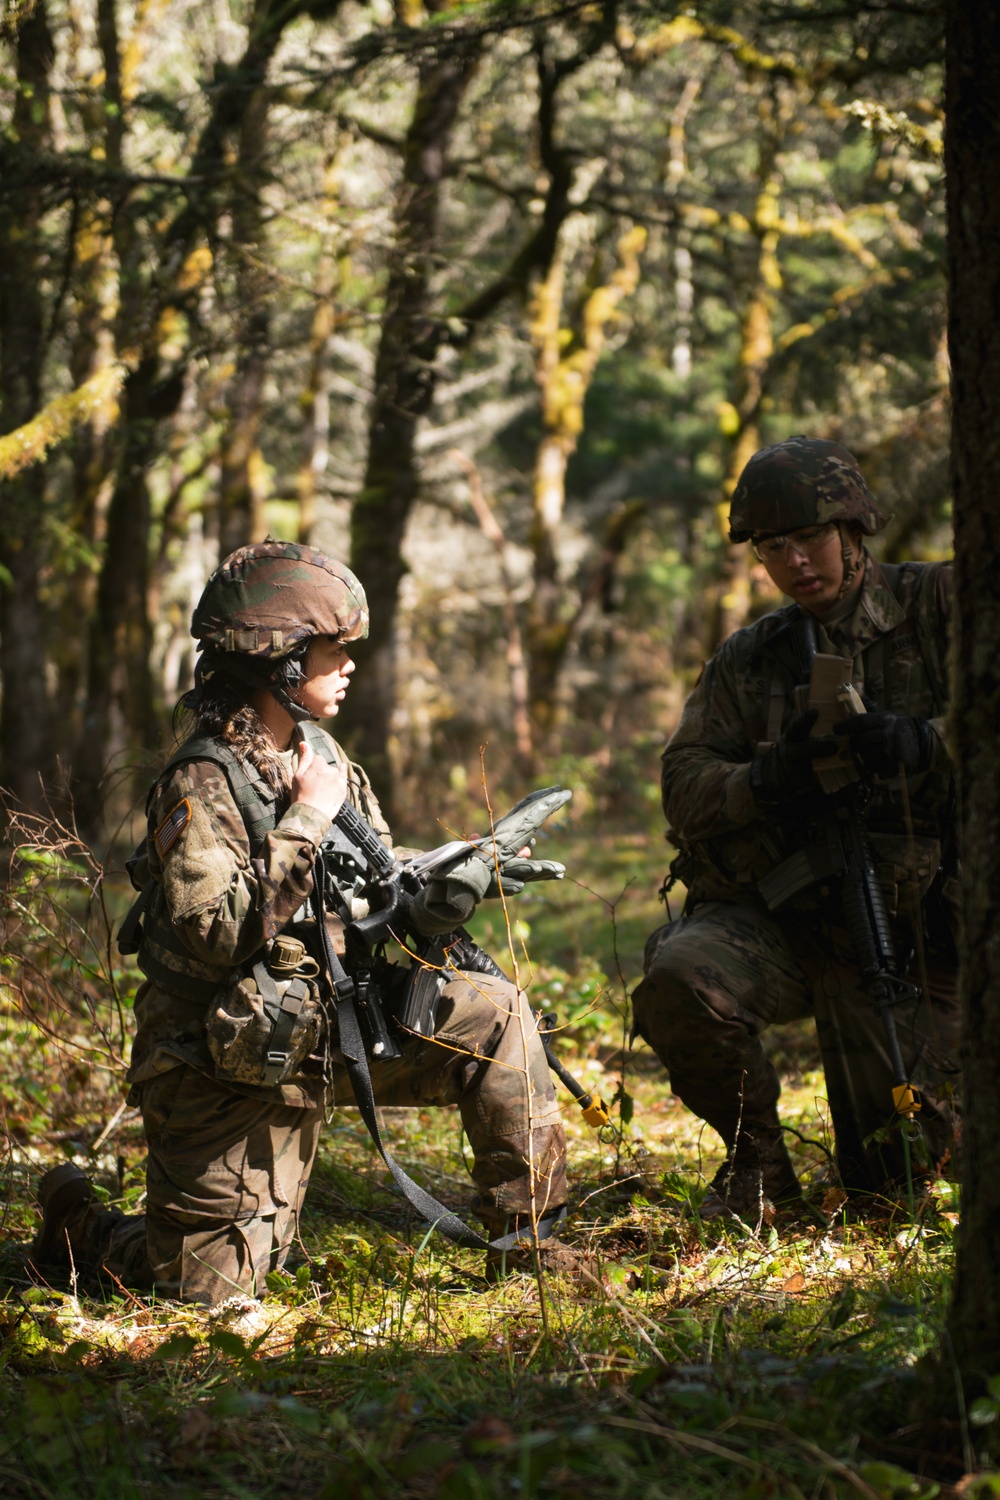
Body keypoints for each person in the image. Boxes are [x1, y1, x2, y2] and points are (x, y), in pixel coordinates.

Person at [32, 541, 569, 1302]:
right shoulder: (204, 777)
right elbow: (216, 930)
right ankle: (82, 1226)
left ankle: (530, 1247)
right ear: (280, 660)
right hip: (222, 1056)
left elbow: (369, 864)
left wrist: (449, 876)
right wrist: (308, 817)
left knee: (499, 1019)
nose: (349, 665)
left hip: (330, 1020)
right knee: (206, 1291)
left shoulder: (319, 752)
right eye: (332, 650)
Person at [632, 436, 959, 1220]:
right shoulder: (752, 658)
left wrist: (932, 742)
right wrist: (766, 779)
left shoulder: (941, 606)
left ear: (853, 532)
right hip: (796, 916)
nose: (796, 562)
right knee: (681, 980)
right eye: (773, 548)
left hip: (931, 927)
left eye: (810, 538)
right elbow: (683, 784)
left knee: (901, 1181)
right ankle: (758, 1171)